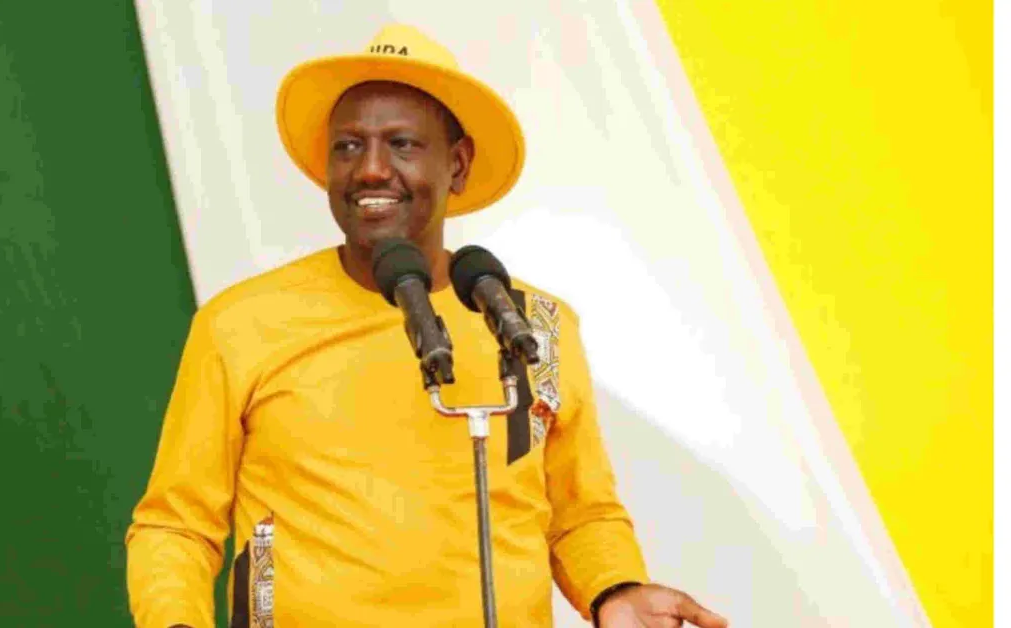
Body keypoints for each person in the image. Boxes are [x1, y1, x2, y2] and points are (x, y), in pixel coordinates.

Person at [125, 24, 728, 628]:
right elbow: (175, 525)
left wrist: (615, 589)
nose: (370, 169)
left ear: (457, 165)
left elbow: (580, 514)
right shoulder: (241, 322)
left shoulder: (535, 325)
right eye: (348, 146)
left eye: (403, 144)